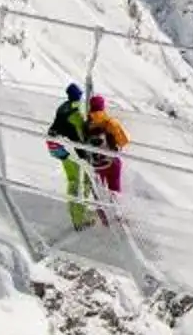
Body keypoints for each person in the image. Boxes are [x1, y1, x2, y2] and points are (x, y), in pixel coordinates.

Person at [45, 83, 93, 229]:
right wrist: (85, 155)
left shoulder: (64, 107)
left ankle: (78, 215)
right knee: (81, 181)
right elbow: (79, 137)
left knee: (74, 180)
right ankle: (79, 218)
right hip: (67, 149)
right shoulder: (75, 114)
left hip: (57, 147)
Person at [83, 94, 130, 202]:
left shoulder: (86, 125)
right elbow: (124, 141)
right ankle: (117, 212)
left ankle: (101, 211)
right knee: (114, 190)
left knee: (98, 191)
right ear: (103, 107)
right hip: (112, 162)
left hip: (95, 164)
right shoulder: (110, 122)